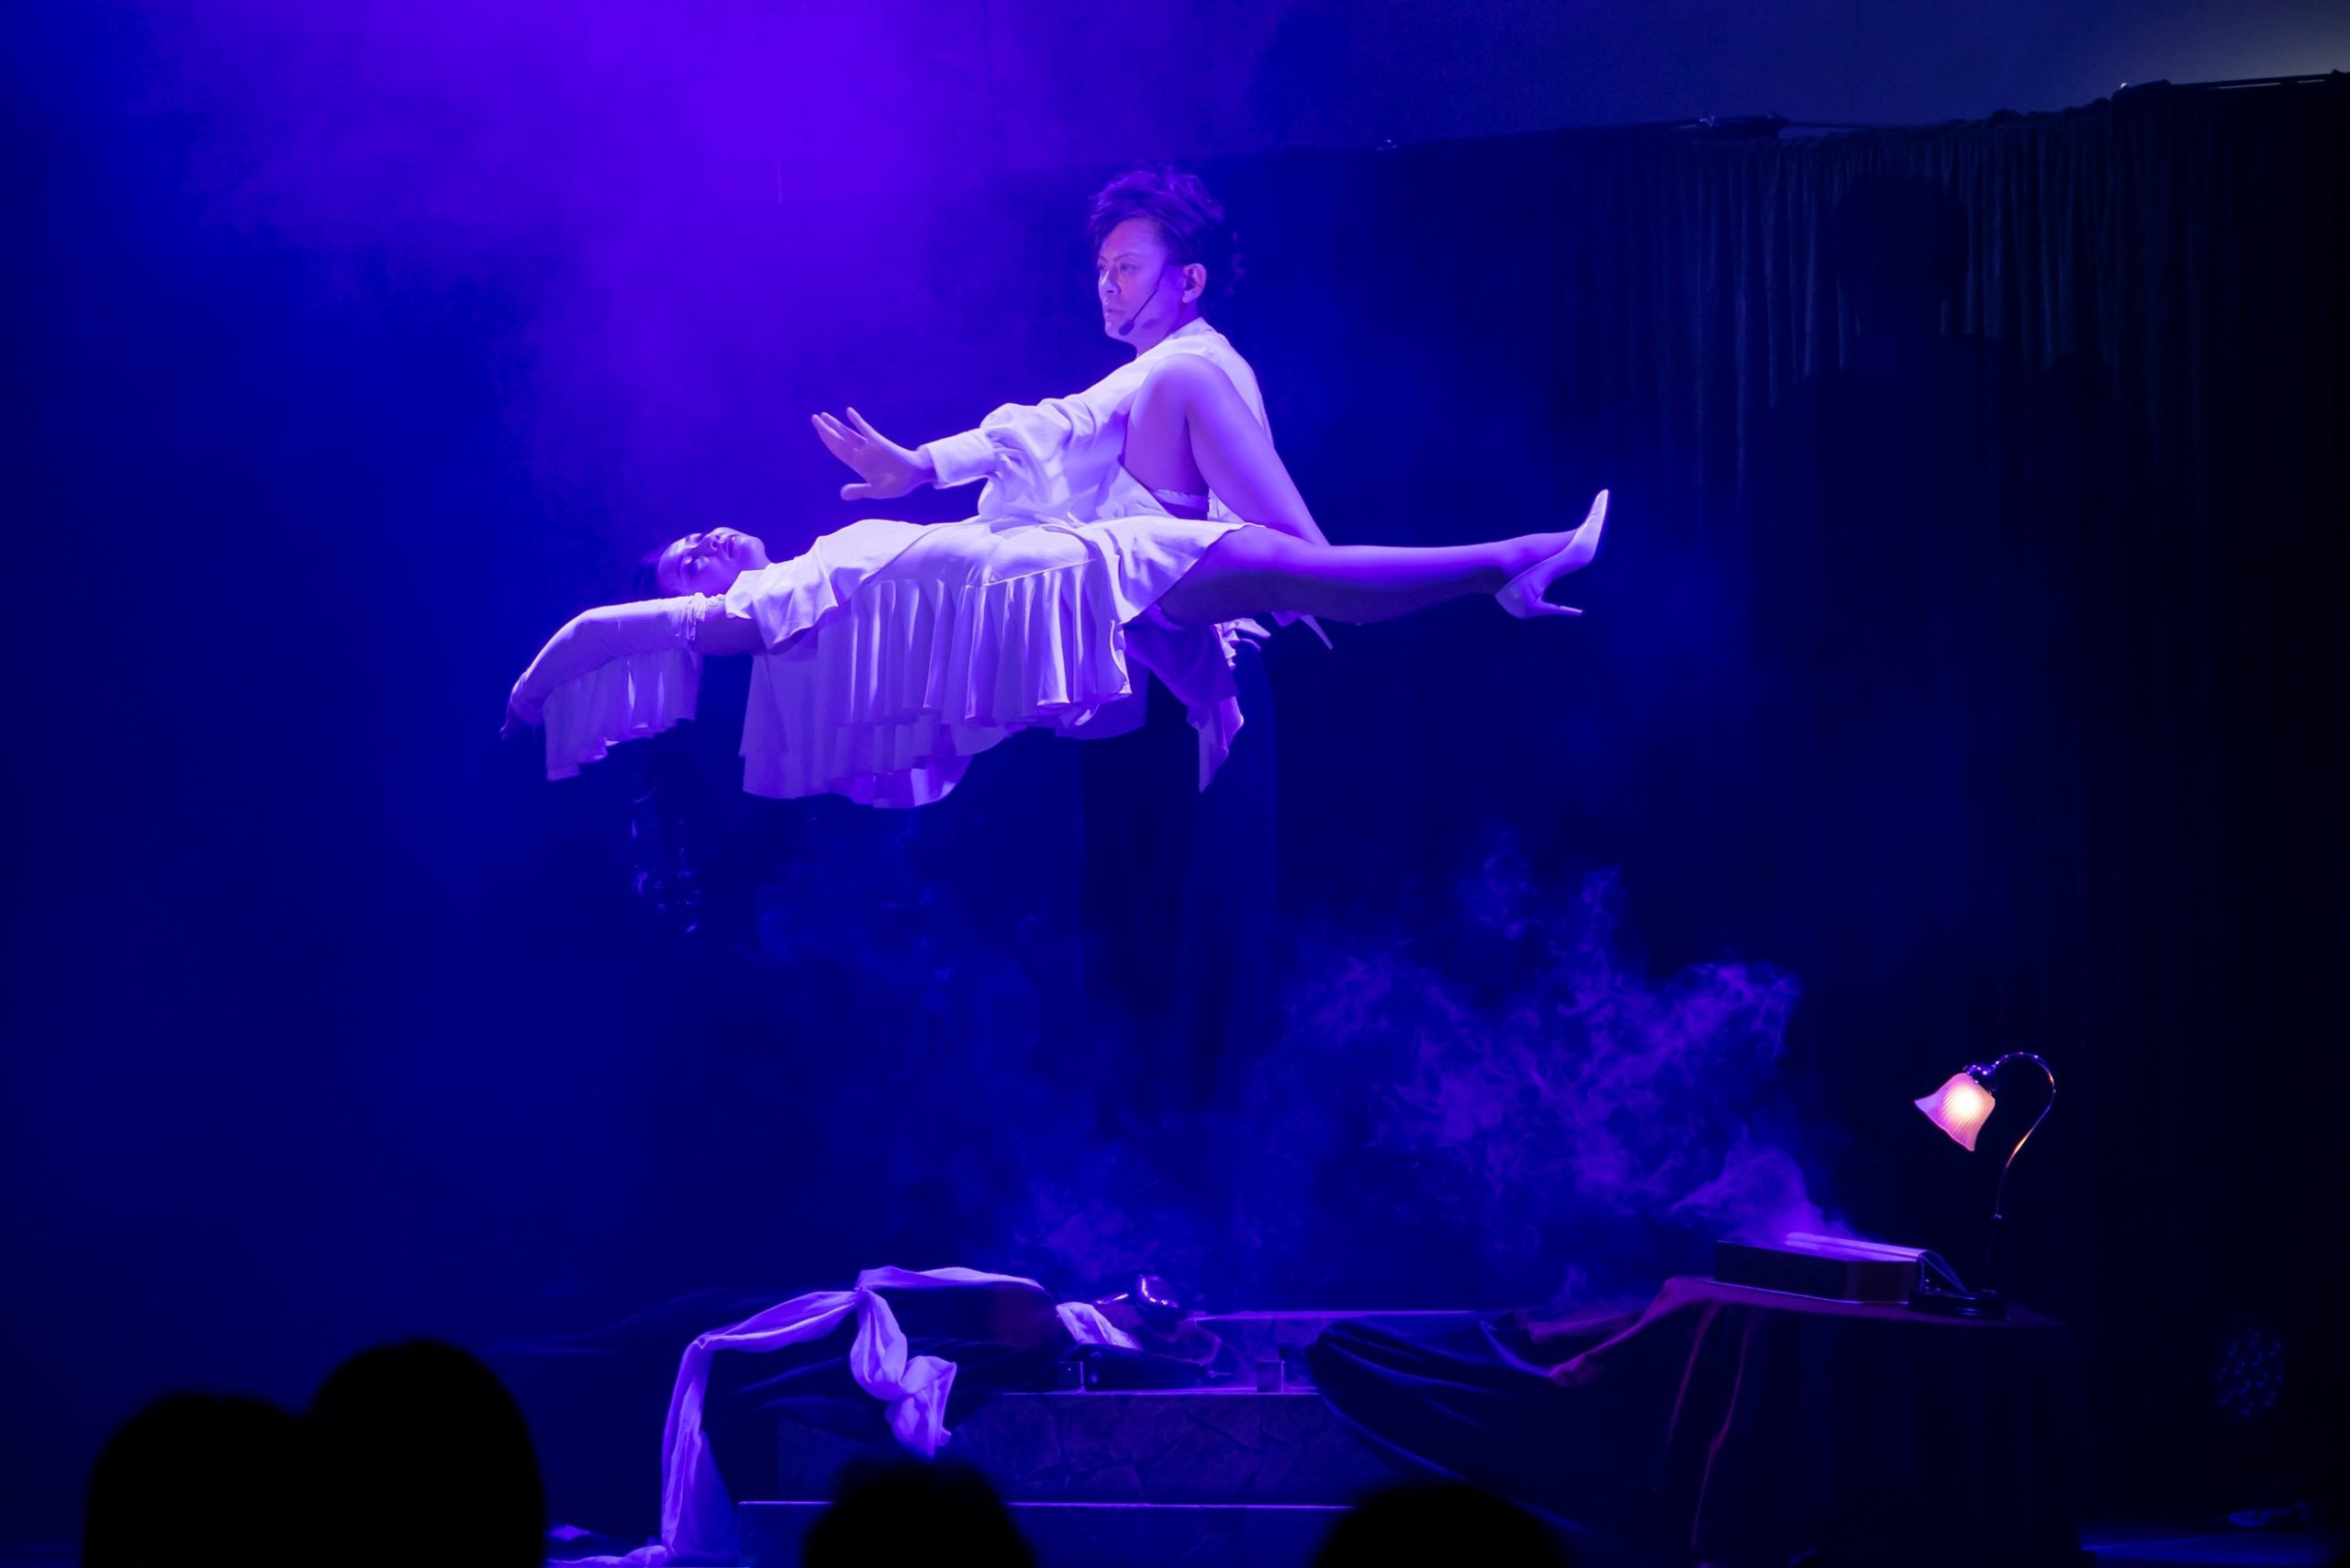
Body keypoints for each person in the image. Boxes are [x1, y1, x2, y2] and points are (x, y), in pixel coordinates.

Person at [505, 169, 1609, 807]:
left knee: (1273, 539)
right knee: (1279, 544)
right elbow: (601, 631)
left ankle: (1480, 569)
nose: (704, 544)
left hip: (1099, 568)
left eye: (1122, 267)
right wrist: (528, 697)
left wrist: (923, 471)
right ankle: (1466, 565)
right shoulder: (768, 607)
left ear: (1186, 279)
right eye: (687, 562)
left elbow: (1065, 424)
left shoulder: (1184, 365)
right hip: (1081, 579)